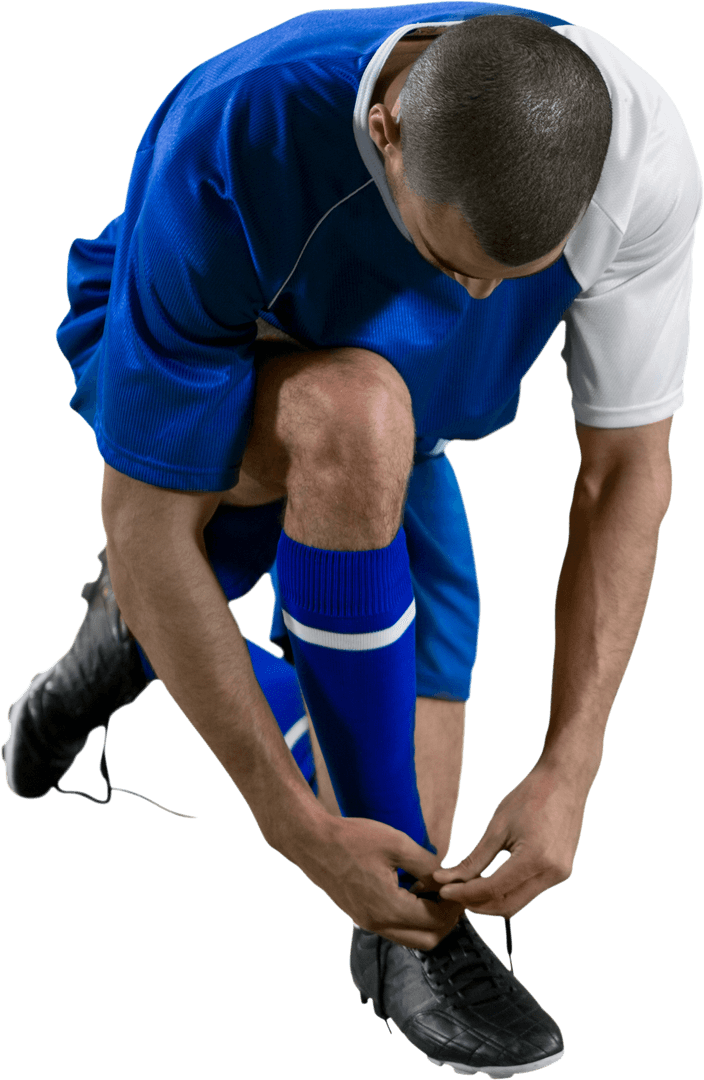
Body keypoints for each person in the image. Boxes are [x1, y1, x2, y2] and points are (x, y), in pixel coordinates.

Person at [3, 5, 701, 1076]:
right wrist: (294, 829)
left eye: (510, 277)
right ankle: (396, 945)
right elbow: (145, 520)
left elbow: (622, 475)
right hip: (227, 360)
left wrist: (572, 761)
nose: (474, 298)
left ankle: (123, 645)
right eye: (450, 258)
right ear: (383, 130)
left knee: (408, 829)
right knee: (351, 415)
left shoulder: (640, 161)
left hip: (394, 412)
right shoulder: (233, 136)